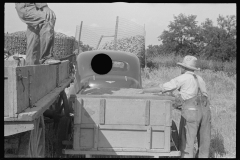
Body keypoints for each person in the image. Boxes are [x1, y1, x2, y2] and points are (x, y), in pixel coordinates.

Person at [142, 55, 211, 158]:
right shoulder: (200, 78)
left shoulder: (182, 78)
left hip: (191, 111)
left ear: (183, 68)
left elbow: (164, 88)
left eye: (181, 67)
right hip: (206, 111)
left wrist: (144, 90)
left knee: (187, 139)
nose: (180, 69)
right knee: (204, 141)